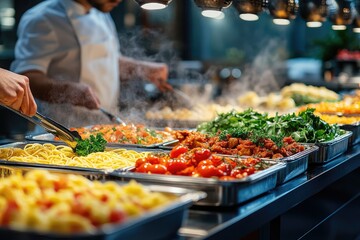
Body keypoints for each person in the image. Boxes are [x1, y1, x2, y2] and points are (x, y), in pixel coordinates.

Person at [11, 0, 172, 127]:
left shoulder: (101, 14)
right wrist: (69, 91)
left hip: (107, 128)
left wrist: (143, 69)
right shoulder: (42, 18)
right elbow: (27, 77)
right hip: (62, 133)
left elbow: (108, 61)